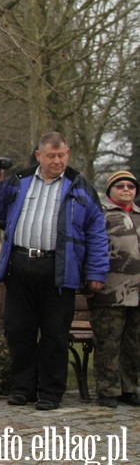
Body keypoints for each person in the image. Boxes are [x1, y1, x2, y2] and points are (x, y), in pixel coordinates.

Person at [0, 132, 108, 411]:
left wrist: (97, 272)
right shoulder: (20, 181)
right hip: (21, 264)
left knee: (54, 333)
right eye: (51, 155)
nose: (57, 160)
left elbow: (97, 232)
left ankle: (51, 392)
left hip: (59, 269)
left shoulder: (80, 187)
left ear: (68, 153)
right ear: (39, 155)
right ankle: (23, 388)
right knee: (19, 330)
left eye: (62, 155)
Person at [91, 171, 140, 408]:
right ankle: (108, 389)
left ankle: (130, 388)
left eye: (130, 186)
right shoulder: (101, 214)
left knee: (133, 344)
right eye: (120, 186)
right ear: (110, 191)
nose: (126, 189)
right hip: (110, 290)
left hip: (137, 292)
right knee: (108, 343)